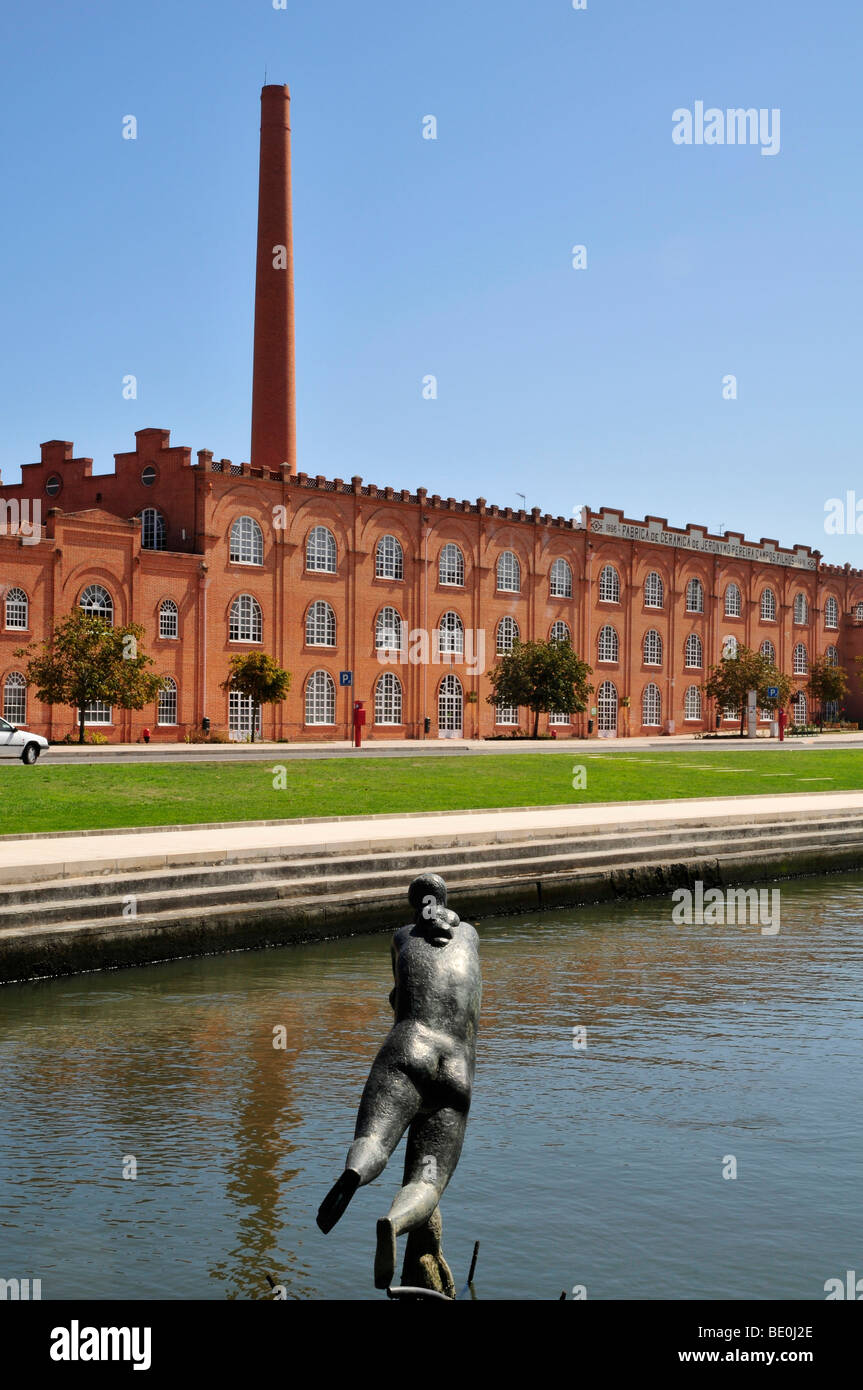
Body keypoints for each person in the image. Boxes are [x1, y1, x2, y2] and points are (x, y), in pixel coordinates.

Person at [317, 873, 481, 1289]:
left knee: (375, 1137)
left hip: (410, 1049)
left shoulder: (401, 936)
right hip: (457, 1070)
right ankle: (394, 1221)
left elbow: (398, 996)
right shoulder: (472, 936)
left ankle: (356, 1171)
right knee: (426, 1180)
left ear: (414, 905)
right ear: (446, 899)